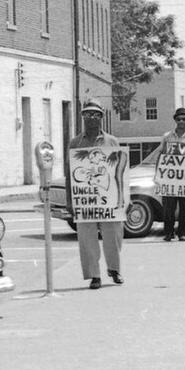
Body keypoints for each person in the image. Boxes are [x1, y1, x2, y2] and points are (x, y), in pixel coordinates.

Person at [66, 99, 124, 290]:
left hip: (108, 197)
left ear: (101, 117)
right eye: (88, 114)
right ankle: (94, 275)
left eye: (96, 114)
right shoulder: (75, 143)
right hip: (86, 199)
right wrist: (70, 200)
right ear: (82, 116)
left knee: (113, 235)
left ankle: (114, 269)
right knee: (87, 237)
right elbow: (70, 174)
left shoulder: (112, 141)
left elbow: (119, 172)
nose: (92, 117)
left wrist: (123, 198)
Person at [160, 107, 185, 242]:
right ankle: (168, 232)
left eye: (184, 119)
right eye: (179, 119)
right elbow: (161, 157)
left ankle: (182, 233)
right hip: (169, 178)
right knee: (168, 208)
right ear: (175, 120)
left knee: (184, 208)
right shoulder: (167, 137)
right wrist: (158, 176)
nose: (181, 121)